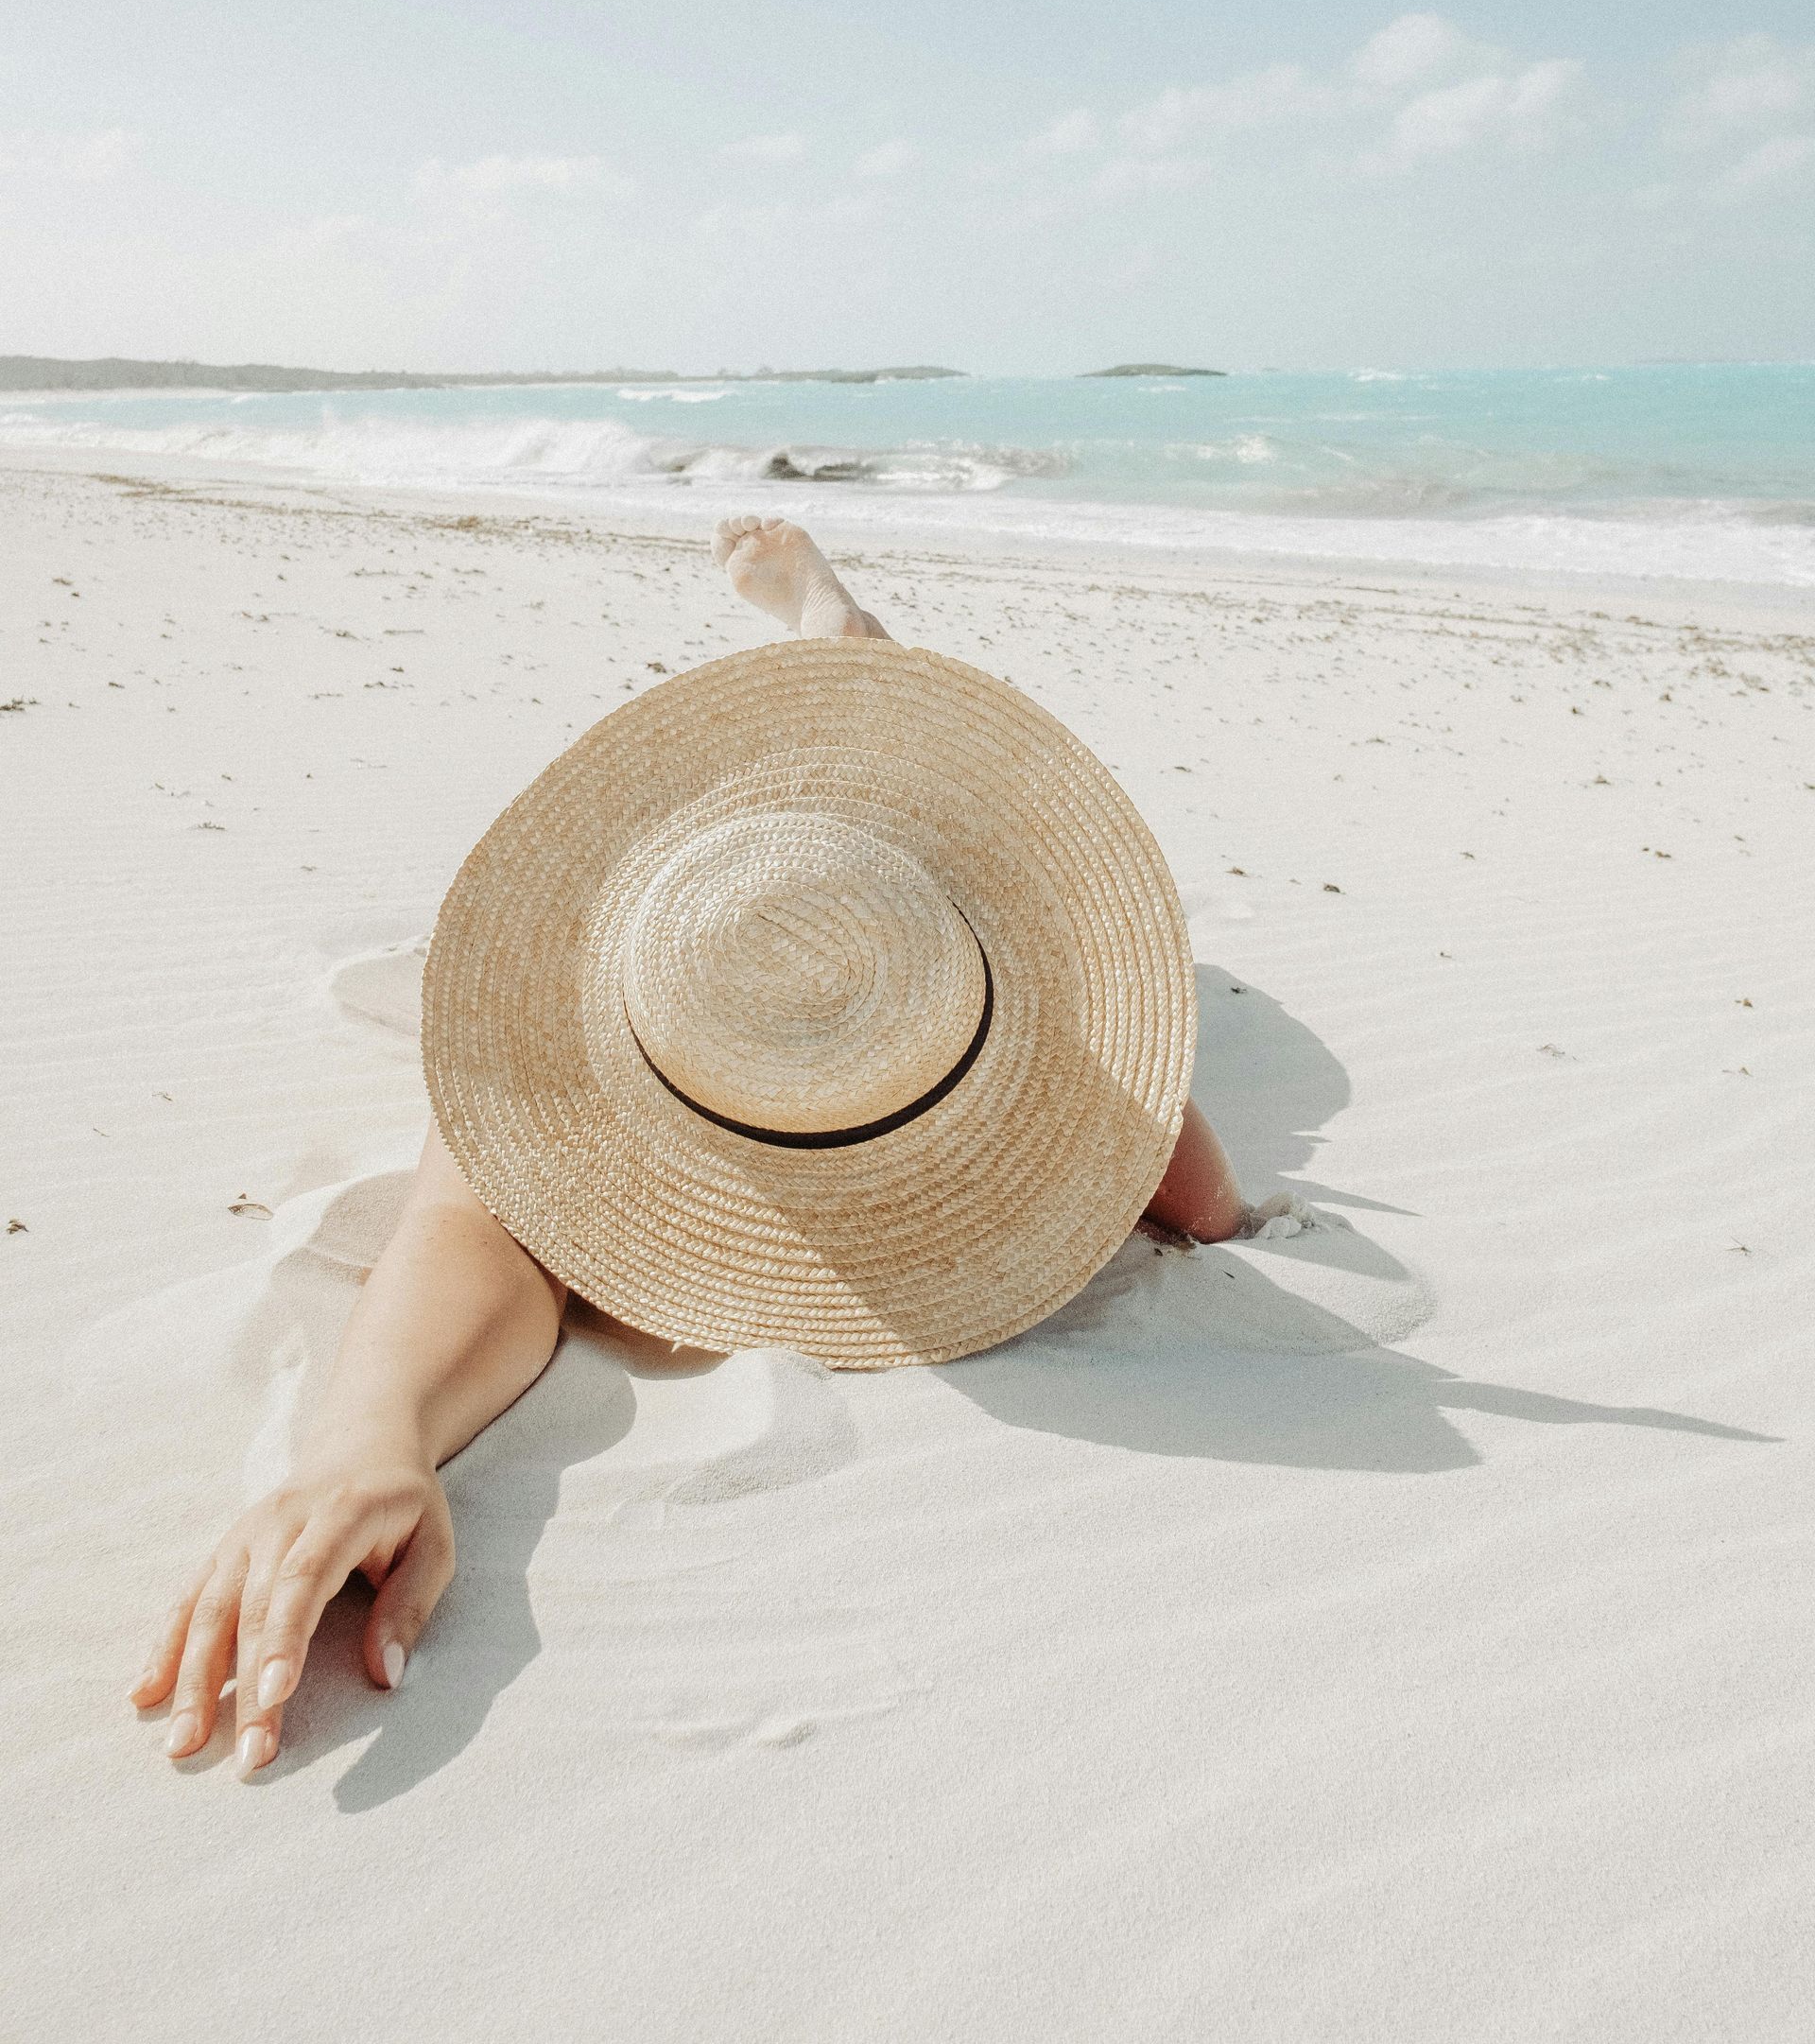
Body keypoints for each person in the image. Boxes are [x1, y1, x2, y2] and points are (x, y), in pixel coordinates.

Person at [130, 517, 1251, 1778]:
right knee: (841, 759)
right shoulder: (613, 997)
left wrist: (1083, 1066)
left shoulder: (933, 954)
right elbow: (472, 1225)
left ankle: (836, 627)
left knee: (873, 729)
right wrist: (367, 1439)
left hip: (871, 879)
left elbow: (1197, 1193)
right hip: (706, 886)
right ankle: (832, 633)